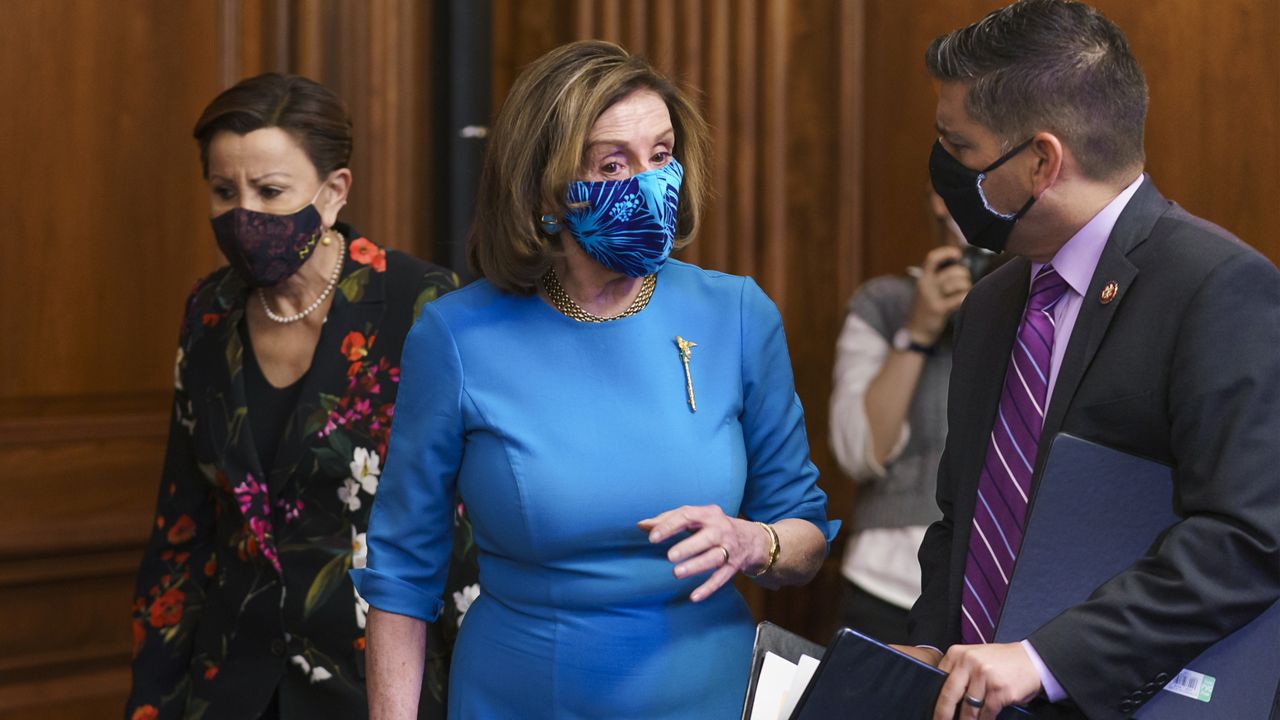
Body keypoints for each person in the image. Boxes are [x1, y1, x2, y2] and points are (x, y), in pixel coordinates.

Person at [353, 41, 837, 719]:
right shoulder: (456, 337)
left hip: (710, 696)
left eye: (661, 156)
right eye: (615, 164)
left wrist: (759, 541)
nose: (650, 183)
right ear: (547, 193)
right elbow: (402, 571)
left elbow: (805, 536)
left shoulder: (735, 314)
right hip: (519, 698)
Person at [894, 2, 1280, 719]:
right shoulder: (993, 300)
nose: (944, 167)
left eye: (959, 145)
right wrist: (931, 643)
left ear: (1041, 160)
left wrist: (1044, 659)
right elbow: (964, 513)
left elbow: (1248, 537)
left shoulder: (1218, 287)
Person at [126, 73, 479, 720]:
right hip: (228, 690)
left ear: (334, 191)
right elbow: (181, 534)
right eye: (224, 191)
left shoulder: (424, 305)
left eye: (270, 191)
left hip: (376, 689)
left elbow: (464, 534)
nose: (244, 215)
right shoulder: (210, 312)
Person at [829, 191, 1000, 645]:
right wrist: (918, 332)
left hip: (999, 588)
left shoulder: (1038, 304)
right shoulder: (884, 303)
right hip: (888, 581)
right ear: (941, 199)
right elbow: (858, 451)